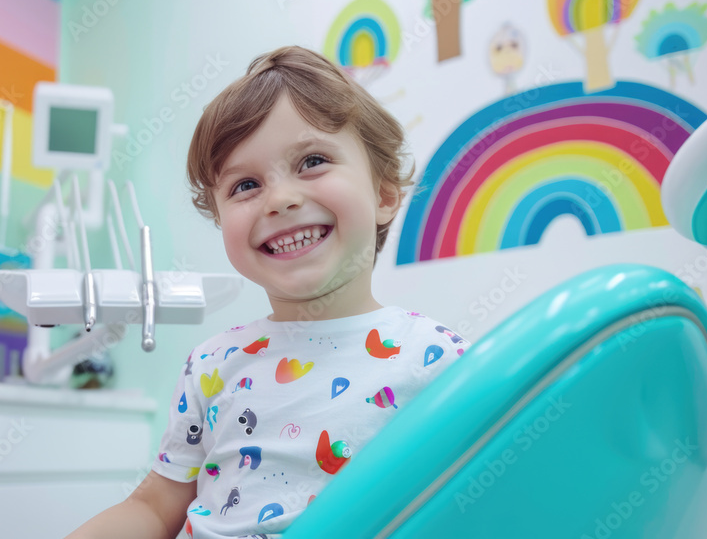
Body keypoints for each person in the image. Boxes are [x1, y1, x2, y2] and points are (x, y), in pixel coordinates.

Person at [67, 45, 469, 539]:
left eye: (313, 161)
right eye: (245, 185)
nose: (280, 200)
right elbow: (154, 507)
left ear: (384, 194)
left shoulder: (437, 360)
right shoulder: (211, 366)